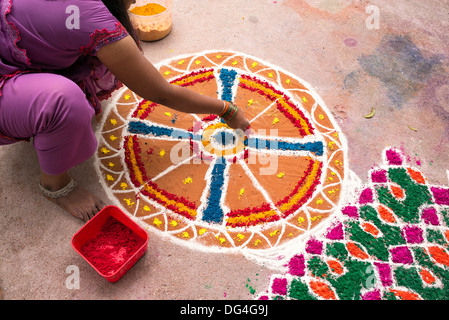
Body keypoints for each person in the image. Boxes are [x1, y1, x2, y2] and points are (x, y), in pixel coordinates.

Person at [0, 0, 250, 222]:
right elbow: (160, 92)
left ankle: (34, 105)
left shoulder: (83, 14)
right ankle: (55, 185)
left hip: (14, 49)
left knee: (99, 60)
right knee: (64, 102)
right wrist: (226, 109)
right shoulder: (91, 17)